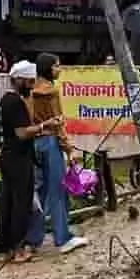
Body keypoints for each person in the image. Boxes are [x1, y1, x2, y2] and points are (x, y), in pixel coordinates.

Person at [25, 53, 88, 254]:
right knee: (58, 190)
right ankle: (62, 238)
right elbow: (58, 123)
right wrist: (69, 149)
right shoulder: (51, 92)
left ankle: (33, 240)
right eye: (57, 66)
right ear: (48, 69)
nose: (59, 69)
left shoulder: (30, 91)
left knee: (40, 192)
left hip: (34, 143)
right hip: (50, 142)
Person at [0, 61, 51, 264]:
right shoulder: (16, 103)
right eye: (29, 82)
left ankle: (5, 249)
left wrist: (38, 129)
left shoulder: (6, 100)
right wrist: (44, 126)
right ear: (19, 80)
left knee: (7, 202)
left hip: (8, 156)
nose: (31, 86)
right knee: (21, 203)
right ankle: (19, 250)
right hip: (19, 159)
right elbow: (21, 133)